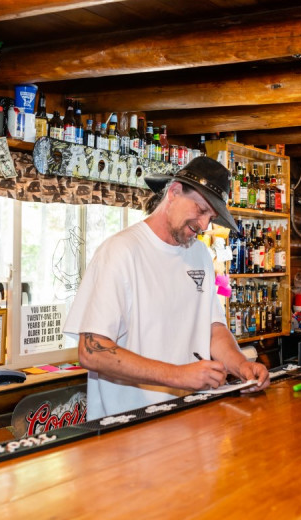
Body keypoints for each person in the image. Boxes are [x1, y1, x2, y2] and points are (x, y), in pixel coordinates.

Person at [64, 156, 270, 420]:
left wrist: (242, 366)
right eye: (200, 209)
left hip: (188, 419)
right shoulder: (120, 251)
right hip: (128, 427)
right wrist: (178, 375)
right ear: (173, 193)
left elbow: (213, 328)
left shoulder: (200, 254)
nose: (205, 225)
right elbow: (91, 352)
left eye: (211, 217)